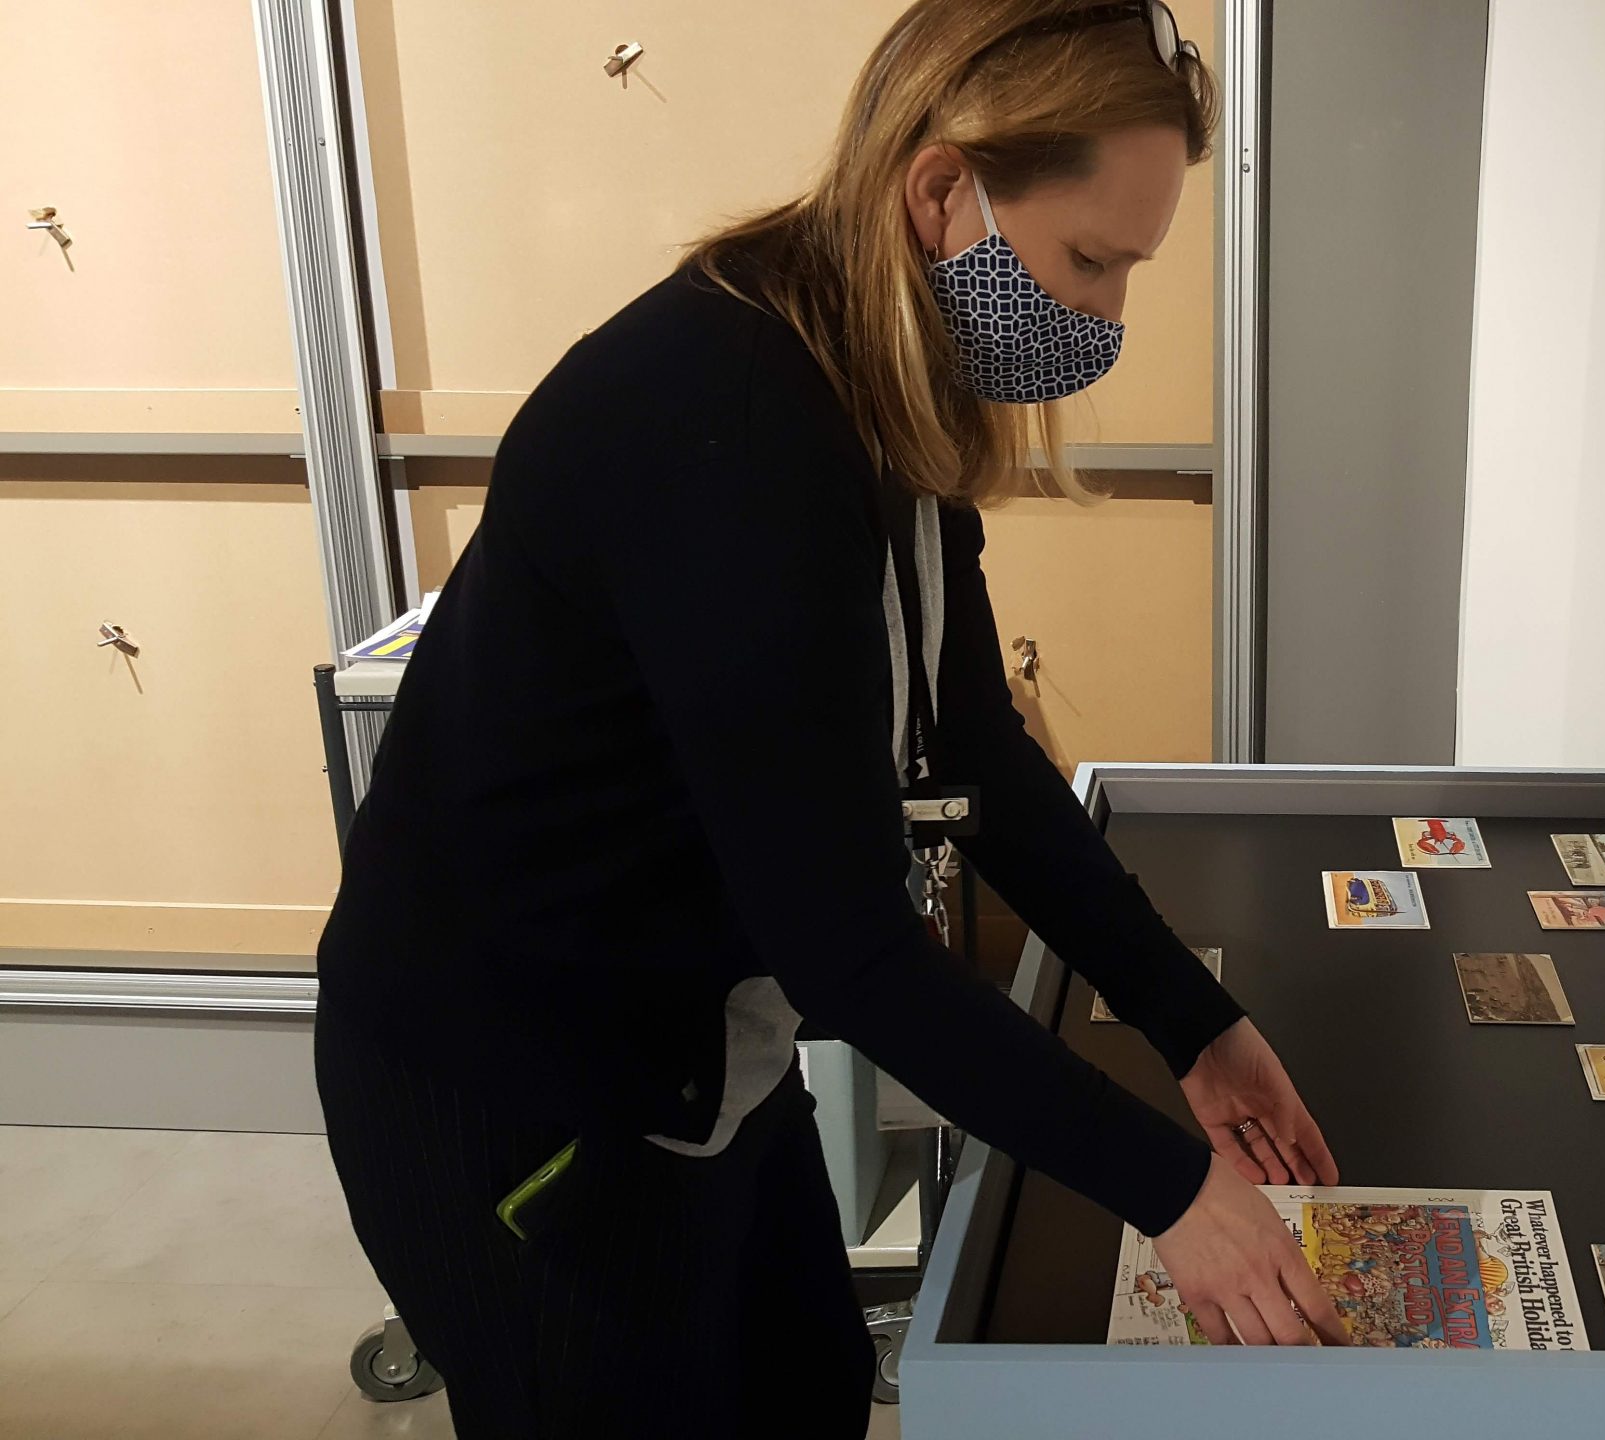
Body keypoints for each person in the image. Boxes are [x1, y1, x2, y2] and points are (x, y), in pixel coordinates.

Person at [313, 4, 1346, 1435]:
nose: (1106, 318)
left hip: (705, 1054)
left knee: (805, 1393)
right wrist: (1172, 1192)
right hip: (522, 1088)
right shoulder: (721, 417)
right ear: (942, 193)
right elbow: (852, 952)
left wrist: (1198, 1024)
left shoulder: (876, 381)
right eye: (1090, 261)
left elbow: (979, 755)